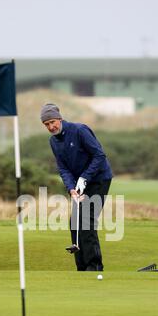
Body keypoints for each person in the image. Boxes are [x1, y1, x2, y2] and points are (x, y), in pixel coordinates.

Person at [41, 103, 113, 272]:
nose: (51, 127)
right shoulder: (53, 141)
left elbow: (99, 155)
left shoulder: (79, 130)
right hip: (79, 185)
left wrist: (85, 177)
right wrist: (71, 188)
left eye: (52, 122)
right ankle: (81, 266)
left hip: (99, 179)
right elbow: (63, 168)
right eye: (46, 124)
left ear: (59, 119)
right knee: (75, 223)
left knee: (86, 220)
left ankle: (94, 265)